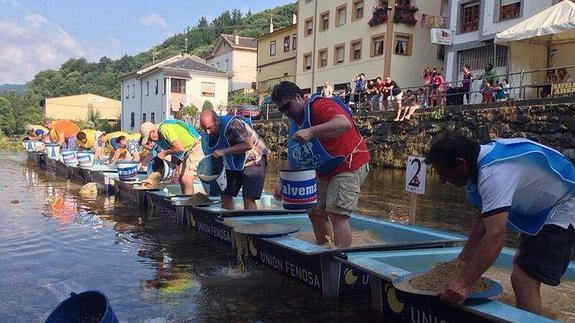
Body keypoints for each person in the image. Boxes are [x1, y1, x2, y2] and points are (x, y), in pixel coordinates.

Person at [425, 133, 574, 315]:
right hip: (544, 205)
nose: (442, 181)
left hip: (565, 204)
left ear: (460, 164)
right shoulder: (478, 163)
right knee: (522, 262)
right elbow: (482, 221)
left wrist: (463, 283)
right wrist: (461, 261)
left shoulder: (493, 173)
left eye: (443, 174)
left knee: (523, 277)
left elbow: (495, 236)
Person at [270, 81, 370, 248]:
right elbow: (295, 156)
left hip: (349, 163)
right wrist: (281, 182)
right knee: (314, 211)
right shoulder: (295, 123)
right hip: (325, 168)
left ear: (299, 97)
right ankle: (325, 248)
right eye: (282, 110)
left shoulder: (320, 106)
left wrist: (311, 131)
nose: (286, 112)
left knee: (337, 214)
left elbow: (344, 123)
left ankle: (340, 258)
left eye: (287, 106)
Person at [199, 110, 268, 210]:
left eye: (210, 128)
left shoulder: (233, 125)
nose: (207, 132)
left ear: (217, 122)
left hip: (254, 158)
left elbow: (248, 145)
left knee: (248, 197)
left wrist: (224, 152)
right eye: (204, 128)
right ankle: (227, 221)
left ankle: (250, 225)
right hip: (233, 160)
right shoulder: (207, 134)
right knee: (225, 194)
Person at [140, 120, 202, 195]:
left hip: (195, 147)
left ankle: (190, 204)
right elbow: (175, 151)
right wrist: (173, 167)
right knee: (181, 179)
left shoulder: (165, 129)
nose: (151, 142)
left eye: (149, 139)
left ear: (152, 132)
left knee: (186, 178)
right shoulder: (160, 138)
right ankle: (185, 199)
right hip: (187, 151)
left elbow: (179, 148)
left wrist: (164, 153)